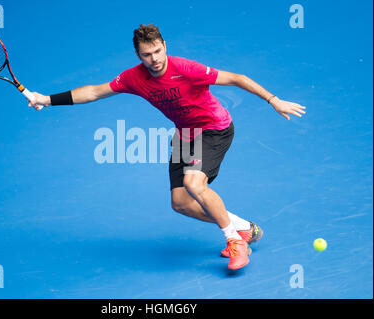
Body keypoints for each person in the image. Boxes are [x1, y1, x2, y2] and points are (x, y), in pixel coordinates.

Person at [28, 24, 306, 270]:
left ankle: (235, 241)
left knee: (195, 185)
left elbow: (236, 78)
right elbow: (93, 91)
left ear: (165, 47)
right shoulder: (133, 78)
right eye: (147, 54)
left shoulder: (186, 69)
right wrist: (47, 99)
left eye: (158, 51)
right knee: (180, 204)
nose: (155, 59)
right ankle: (244, 228)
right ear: (139, 56)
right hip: (185, 136)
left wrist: (274, 99)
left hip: (213, 130)